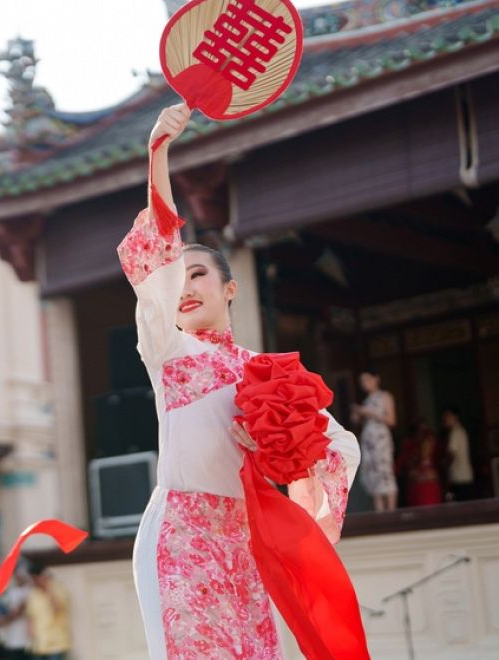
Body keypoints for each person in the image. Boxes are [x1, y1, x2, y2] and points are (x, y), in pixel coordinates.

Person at [121, 104, 361, 658]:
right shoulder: (168, 350)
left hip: (247, 538)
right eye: (179, 278)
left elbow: (338, 446)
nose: (185, 286)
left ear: (230, 289)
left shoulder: (269, 374)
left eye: (198, 274)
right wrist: (158, 152)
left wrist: (282, 455)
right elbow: (156, 257)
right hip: (179, 533)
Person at [352, 371, 398, 512]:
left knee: (385, 474)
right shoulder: (366, 401)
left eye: (367, 379)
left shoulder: (385, 396)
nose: (364, 384)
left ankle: (391, 512)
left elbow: (391, 420)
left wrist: (369, 412)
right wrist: (357, 415)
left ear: (376, 378)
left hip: (381, 440)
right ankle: (380, 513)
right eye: (362, 381)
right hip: (369, 441)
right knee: (373, 476)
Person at [396, 422, 443, 507]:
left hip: (431, 492)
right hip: (417, 492)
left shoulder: (435, 455)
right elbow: (402, 468)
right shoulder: (411, 453)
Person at [0, 570, 31, 660]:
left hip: (25, 638)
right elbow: (0, 610)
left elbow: (19, 611)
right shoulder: (11, 591)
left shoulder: (29, 590)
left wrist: (6, 619)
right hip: (10, 637)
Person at [444, 407, 475, 502]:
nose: (445, 419)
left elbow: (452, 454)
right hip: (464, 476)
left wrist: (444, 465)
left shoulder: (455, 432)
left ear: (456, 417)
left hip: (459, 477)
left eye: (448, 416)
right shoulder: (461, 430)